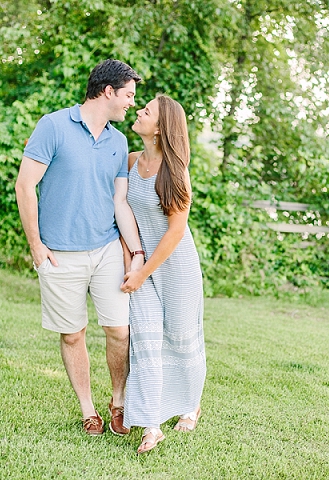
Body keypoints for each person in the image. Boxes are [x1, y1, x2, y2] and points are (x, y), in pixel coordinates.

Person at [15, 59, 145, 437]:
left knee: (119, 331)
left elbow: (120, 202)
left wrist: (135, 252)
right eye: (128, 95)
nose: (131, 104)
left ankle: (118, 402)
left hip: (106, 249)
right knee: (73, 334)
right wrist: (36, 246)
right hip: (59, 253)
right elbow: (26, 186)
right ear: (108, 92)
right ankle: (89, 411)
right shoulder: (53, 126)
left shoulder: (119, 142)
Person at [120, 94, 207, 454]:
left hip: (178, 268)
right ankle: (151, 426)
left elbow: (175, 232)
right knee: (145, 341)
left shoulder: (176, 172)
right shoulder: (129, 161)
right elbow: (122, 215)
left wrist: (142, 273)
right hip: (141, 266)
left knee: (182, 338)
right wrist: (133, 264)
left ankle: (190, 404)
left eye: (147, 111)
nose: (139, 111)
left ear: (160, 128)